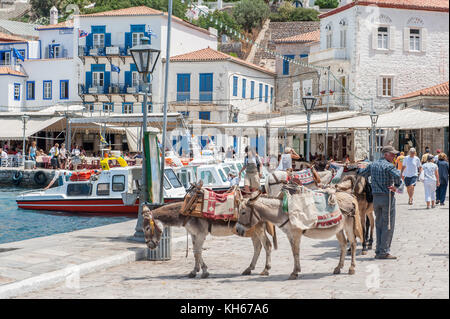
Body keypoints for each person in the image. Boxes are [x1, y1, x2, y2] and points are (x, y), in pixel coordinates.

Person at [357, 145, 402, 260]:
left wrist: (360, 166)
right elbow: (398, 176)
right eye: (392, 154)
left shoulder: (373, 165)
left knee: (378, 224)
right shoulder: (389, 166)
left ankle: (378, 250)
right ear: (386, 154)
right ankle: (383, 251)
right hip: (387, 197)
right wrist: (396, 186)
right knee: (388, 224)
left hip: (376, 198)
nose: (394, 157)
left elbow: (361, 173)